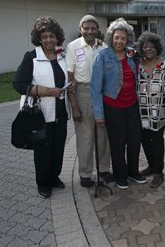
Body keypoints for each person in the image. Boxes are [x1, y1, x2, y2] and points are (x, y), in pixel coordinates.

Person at [13, 16, 71, 198]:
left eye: (52, 36)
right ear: (39, 38)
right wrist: (44, 91)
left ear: (57, 37)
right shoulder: (31, 57)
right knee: (43, 150)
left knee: (58, 147)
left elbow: (66, 79)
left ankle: (54, 177)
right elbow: (18, 84)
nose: (48, 40)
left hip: (61, 112)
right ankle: (43, 183)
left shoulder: (62, 56)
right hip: (41, 114)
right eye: (44, 36)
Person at [91, 18, 146, 190]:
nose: (119, 41)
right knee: (117, 142)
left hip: (132, 106)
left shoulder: (132, 55)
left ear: (128, 39)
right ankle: (120, 175)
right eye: (116, 37)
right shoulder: (102, 56)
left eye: (123, 38)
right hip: (113, 107)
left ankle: (133, 172)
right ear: (111, 38)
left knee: (135, 140)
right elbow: (95, 88)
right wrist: (99, 115)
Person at [66, 15, 112, 188]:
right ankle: (85, 173)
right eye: (86, 28)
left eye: (93, 28)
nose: (90, 31)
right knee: (85, 136)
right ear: (81, 29)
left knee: (102, 134)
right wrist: (74, 106)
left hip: (101, 92)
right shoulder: (73, 47)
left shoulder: (104, 46)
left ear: (97, 29)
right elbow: (70, 78)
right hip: (82, 92)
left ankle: (104, 170)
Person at [136, 32, 165, 188]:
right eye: (145, 47)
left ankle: (159, 172)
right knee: (145, 141)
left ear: (157, 48)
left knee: (157, 141)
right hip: (141, 112)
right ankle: (151, 166)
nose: (148, 49)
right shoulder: (137, 65)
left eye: (151, 47)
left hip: (159, 112)